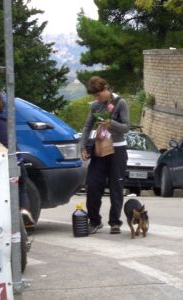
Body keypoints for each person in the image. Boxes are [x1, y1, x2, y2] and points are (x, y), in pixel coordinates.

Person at [79, 76, 130, 234]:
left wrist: (111, 124)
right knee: (93, 185)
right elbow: (87, 126)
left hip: (117, 149)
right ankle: (94, 221)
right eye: (94, 96)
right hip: (100, 149)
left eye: (99, 94)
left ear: (106, 89)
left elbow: (126, 127)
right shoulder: (95, 106)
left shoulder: (120, 103)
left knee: (116, 186)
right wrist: (83, 147)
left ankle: (115, 222)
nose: (97, 98)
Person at [0, 82, 35, 228]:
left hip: (0, 163)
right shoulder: (5, 118)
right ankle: (23, 210)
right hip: (16, 160)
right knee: (21, 186)